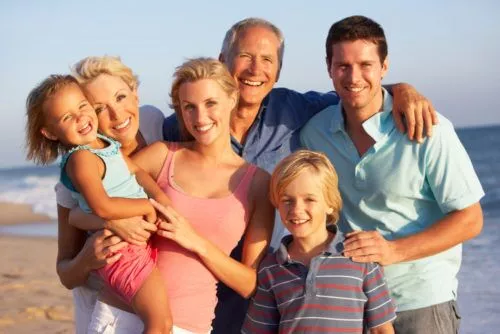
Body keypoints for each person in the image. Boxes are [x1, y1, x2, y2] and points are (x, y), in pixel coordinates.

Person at [162, 17, 438, 333]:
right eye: (245, 56)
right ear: (222, 60)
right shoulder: (184, 123)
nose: (256, 69)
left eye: (267, 60)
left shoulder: (295, 109)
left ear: (278, 71)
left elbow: (355, 90)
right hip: (202, 301)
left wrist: (401, 90)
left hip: (284, 295)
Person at [301, 15, 484, 333]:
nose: (353, 76)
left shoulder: (429, 129)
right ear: (329, 68)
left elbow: (470, 219)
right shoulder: (314, 134)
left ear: (384, 67)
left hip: (422, 303)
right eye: (343, 65)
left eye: (365, 65)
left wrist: (393, 251)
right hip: (353, 301)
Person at [130, 57, 274, 333]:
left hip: (190, 324)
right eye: (189, 107)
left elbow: (250, 284)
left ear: (232, 98)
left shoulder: (257, 183)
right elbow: (97, 188)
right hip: (125, 314)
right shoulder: (162, 156)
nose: (200, 118)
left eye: (210, 104)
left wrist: (195, 241)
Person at [25, 74, 172, 333]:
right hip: (120, 251)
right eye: (67, 117)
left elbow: (137, 172)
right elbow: (102, 206)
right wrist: (148, 207)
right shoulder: (81, 159)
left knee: (155, 321)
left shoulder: (107, 145)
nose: (81, 118)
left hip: (133, 245)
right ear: (50, 132)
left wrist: (160, 199)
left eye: (82, 106)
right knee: (159, 323)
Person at [242, 150, 396, 333]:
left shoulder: (361, 256)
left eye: (310, 199)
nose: (297, 209)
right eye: (287, 200)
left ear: (330, 203)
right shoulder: (271, 268)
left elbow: (382, 330)